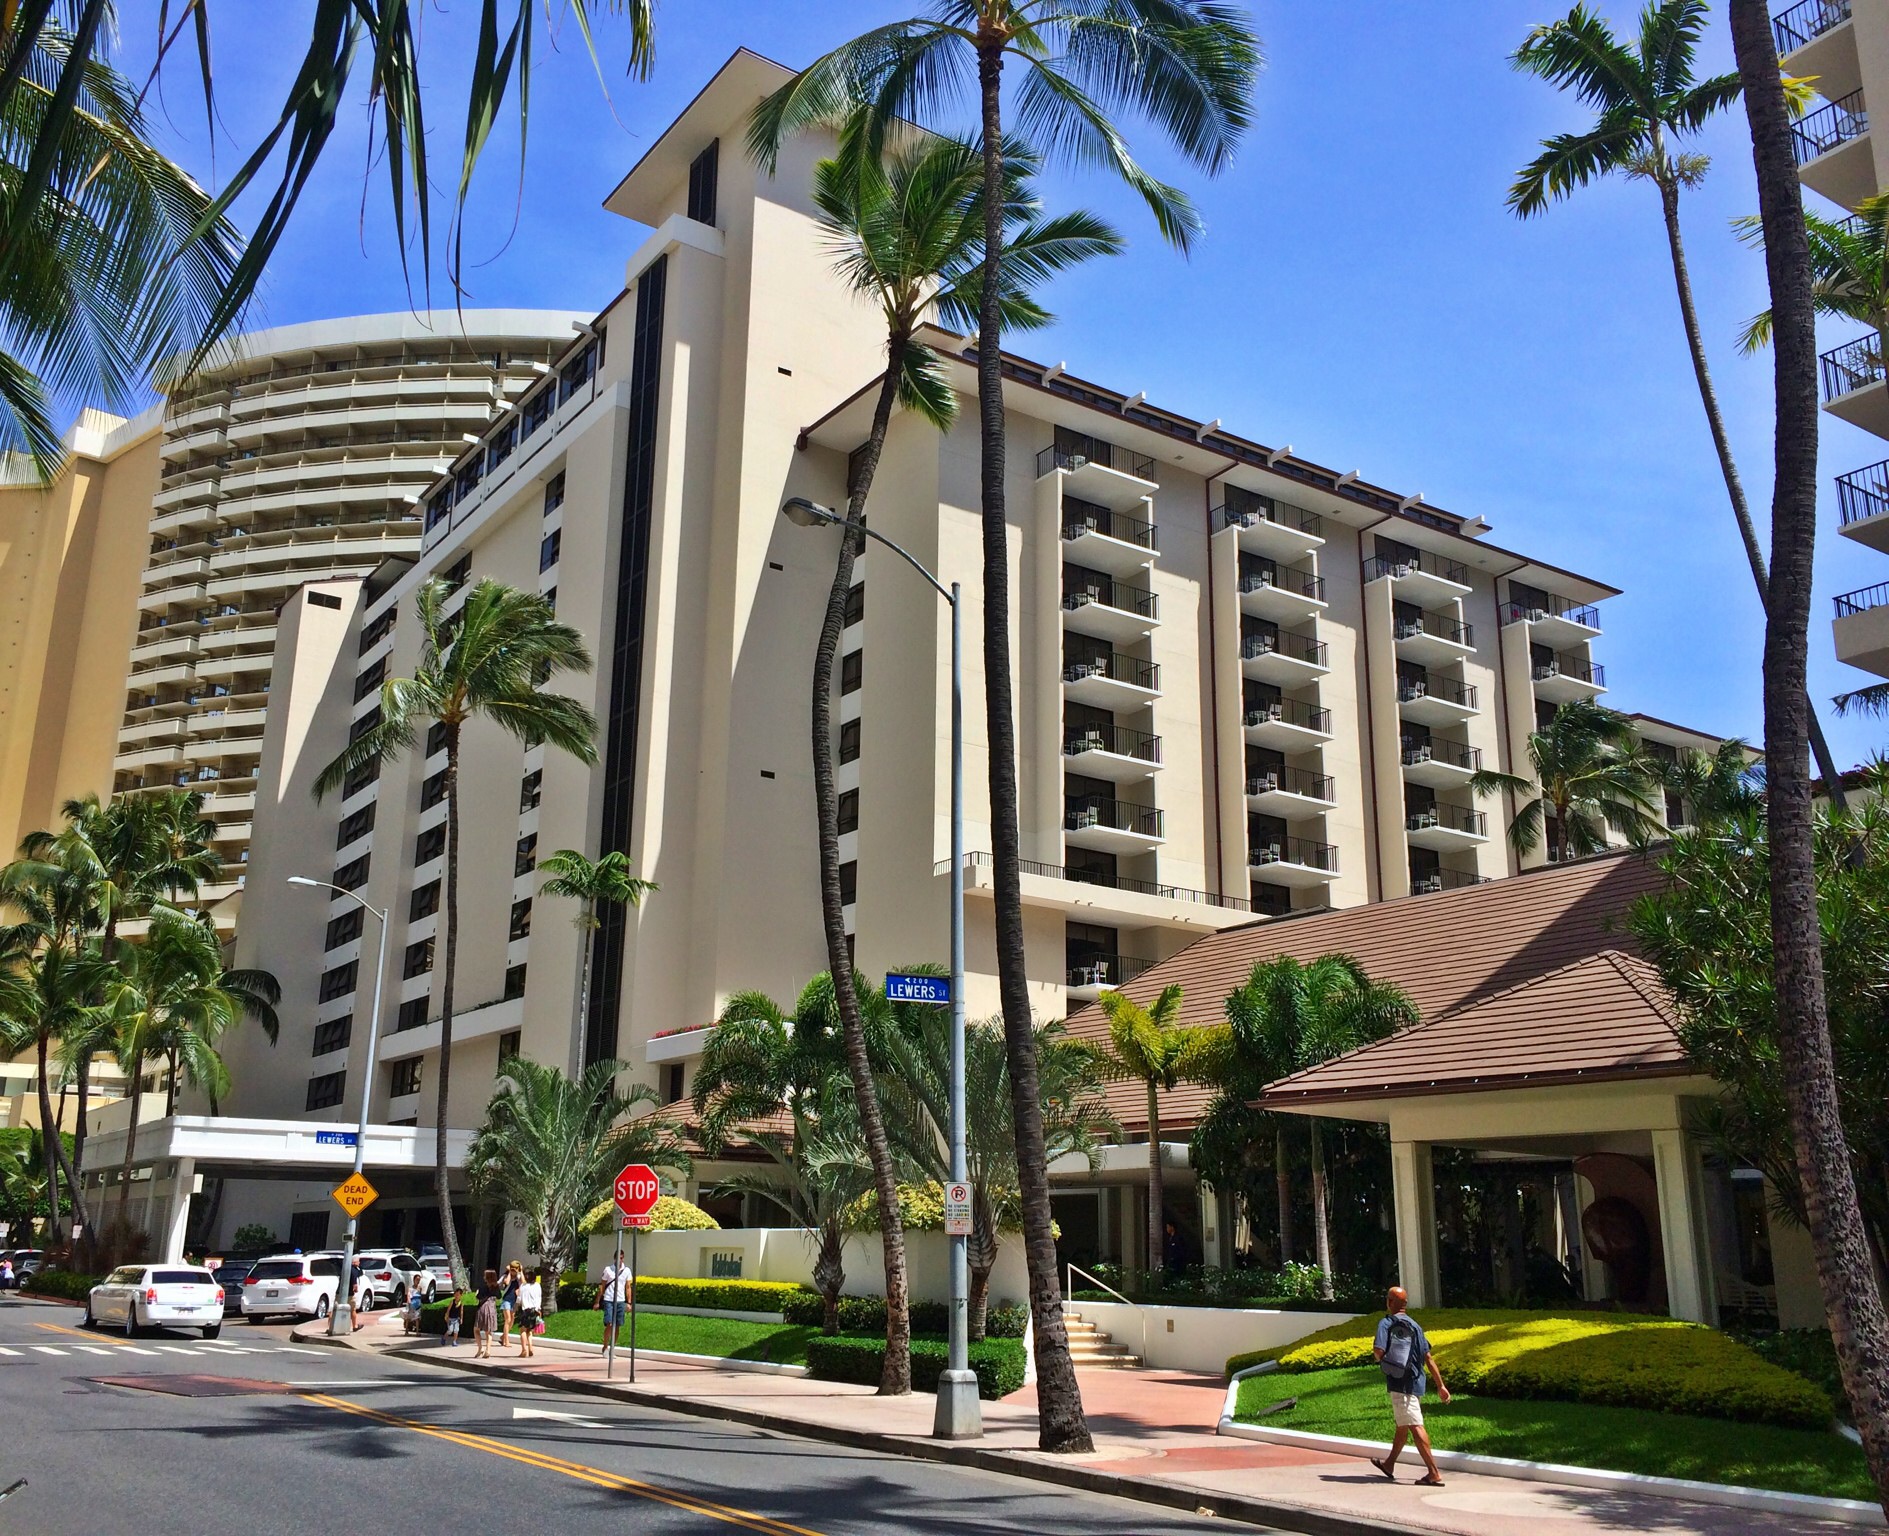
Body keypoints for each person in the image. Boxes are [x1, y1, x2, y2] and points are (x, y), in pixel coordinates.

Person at [1370, 1285, 1451, 1487]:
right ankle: (1389, 1465)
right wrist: (1441, 1386)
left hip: (1400, 1383)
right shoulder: (1415, 1326)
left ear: (1389, 1302)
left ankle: (1434, 1473)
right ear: (1405, 1305)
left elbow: (1378, 1351)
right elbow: (1429, 1358)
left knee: (1414, 1425)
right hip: (1417, 1381)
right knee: (1402, 1424)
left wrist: (1385, 1360)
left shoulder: (1386, 1323)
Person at [598, 1248, 631, 1351]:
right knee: (609, 1323)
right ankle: (605, 1346)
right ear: (614, 1258)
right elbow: (602, 1286)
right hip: (609, 1299)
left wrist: (629, 1302)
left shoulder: (627, 1271)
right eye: (618, 1258)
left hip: (620, 1301)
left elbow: (628, 1287)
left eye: (621, 1258)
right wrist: (597, 1301)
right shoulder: (608, 1269)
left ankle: (613, 1348)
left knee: (617, 1325)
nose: (620, 1260)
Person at [515, 1268, 543, 1359]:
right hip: (535, 1310)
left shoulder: (523, 1286)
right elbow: (539, 1297)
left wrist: (516, 1307)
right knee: (530, 1330)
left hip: (525, 1310)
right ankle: (530, 1347)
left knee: (523, 1330)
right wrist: (539, 1309)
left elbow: (519, 1300)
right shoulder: (538, 1286)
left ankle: (524, 1349)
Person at [474, 1269, 500, 1358]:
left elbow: (478, 1297)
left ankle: (480, 1348)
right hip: (492, 1308)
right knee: (488, 1332)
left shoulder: (483, 1286)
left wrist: (477, 1293)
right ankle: (488, 1350)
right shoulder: (496, 1286)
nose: (483, 1277)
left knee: (476, 1329)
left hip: (483, 1308)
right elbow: (499, 1296)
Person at [499, 1261, 522, 1349]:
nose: (513, 1272)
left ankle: (503, 1336)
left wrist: (521, 1271)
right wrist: (509, 1272)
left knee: (512, 1320)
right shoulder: (506, 1276)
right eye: (512, 1270)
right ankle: (506, 1341)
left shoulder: (518, 1278)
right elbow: (507, 1282)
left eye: (515, 1270)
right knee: (507, 1319)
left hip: (514, 1301)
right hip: (506, 1300)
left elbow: (523, 1282)